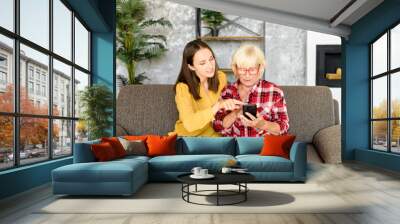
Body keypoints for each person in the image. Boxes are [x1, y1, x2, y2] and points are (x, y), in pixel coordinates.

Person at [212, 44, 289, 137]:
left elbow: (283, 127)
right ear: (235, 69)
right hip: (235, 147)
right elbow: (217, 127)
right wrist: (236, 113)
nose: (247, 75)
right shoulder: (227, 91)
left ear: (260, 68)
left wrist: (262, 124)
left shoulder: (274, 92)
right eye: (242, 69)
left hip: (262, 147)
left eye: (252, 69)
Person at [170, 40, 243, 137]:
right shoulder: (183, 88)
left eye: (211, 59)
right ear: (191, 66)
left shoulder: (221, 78)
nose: (210, 66)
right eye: (202, 63)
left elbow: (225, 108)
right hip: (189, 139)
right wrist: (217, 107)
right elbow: (189, 124)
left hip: (216, 139)